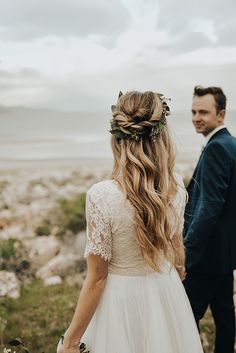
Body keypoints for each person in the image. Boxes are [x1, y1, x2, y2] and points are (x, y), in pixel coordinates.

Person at [57, 91, 203, 353]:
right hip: (166, 291)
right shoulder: (176, 187)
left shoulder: (101, 196)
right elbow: (177, 249)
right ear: (162, 136)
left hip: (120, 303)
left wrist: (70, 341)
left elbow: (97, 279)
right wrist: (177, 273)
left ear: (118, 139)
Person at [183, 85, 236, 353]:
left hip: (206, 256)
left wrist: (187, 248)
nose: (196, 117)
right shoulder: (231, 144)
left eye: (203, 112)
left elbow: (210, 207)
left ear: (221, 114)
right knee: (225, 317)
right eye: (193, 111)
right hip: (225, 254)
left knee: (185, 318)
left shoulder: (217, 148)